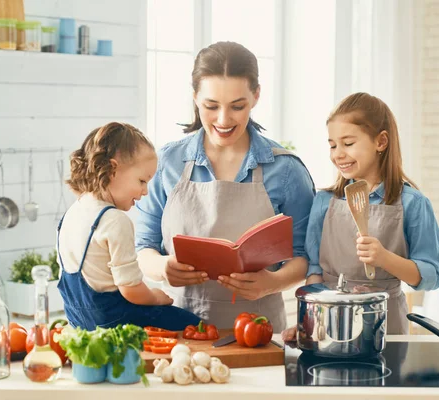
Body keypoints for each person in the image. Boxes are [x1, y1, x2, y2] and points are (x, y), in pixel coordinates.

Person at [135, 41, 315, 331]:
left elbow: (306, 256)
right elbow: (143, 247)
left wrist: (272, 283)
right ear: (194, 97)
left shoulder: (286, 170)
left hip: (260, 331)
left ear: (256, 96)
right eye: (211, 106)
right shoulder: (168, 162)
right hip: (177, 328)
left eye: (237, 106)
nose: (223, 119)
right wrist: (162, 268)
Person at [283, 92, 439, 339]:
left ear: (381, 142)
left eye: (348, 144)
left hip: (386, 326)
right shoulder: (324, 202)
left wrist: (384, 258)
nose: (337, 154)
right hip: (329, 325)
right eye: (332, 145)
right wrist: (308, 321)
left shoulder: (413, 203)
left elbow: (432, 276)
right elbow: (314, 270)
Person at [56, 122, 201, 330]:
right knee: (192, 324)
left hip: (80, 323)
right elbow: (131, 290)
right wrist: (156, 297)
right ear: (113, 169)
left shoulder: (73, 212)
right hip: (115, 322)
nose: (145, 192)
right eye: (142, 181)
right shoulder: (114, 220)